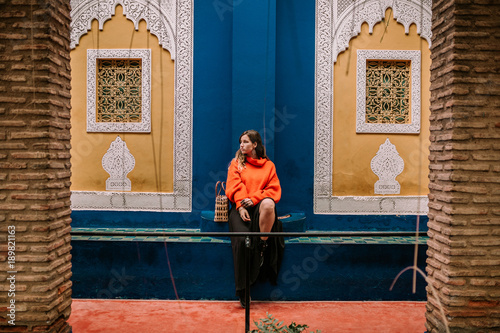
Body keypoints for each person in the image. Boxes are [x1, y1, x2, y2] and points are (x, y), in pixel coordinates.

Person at [225, 130, 285, 308]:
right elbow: (234, 185)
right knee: (243, 241)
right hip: (240, 206)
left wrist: (255, 198)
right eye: (240, 142)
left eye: (245, 142)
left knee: (269, 204)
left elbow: (274, 190)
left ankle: (262, 244)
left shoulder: (269, 166)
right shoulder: (236, 163)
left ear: (255, 145)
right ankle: (244, 290)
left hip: (258, 206)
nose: (241, 145)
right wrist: (241, 205)